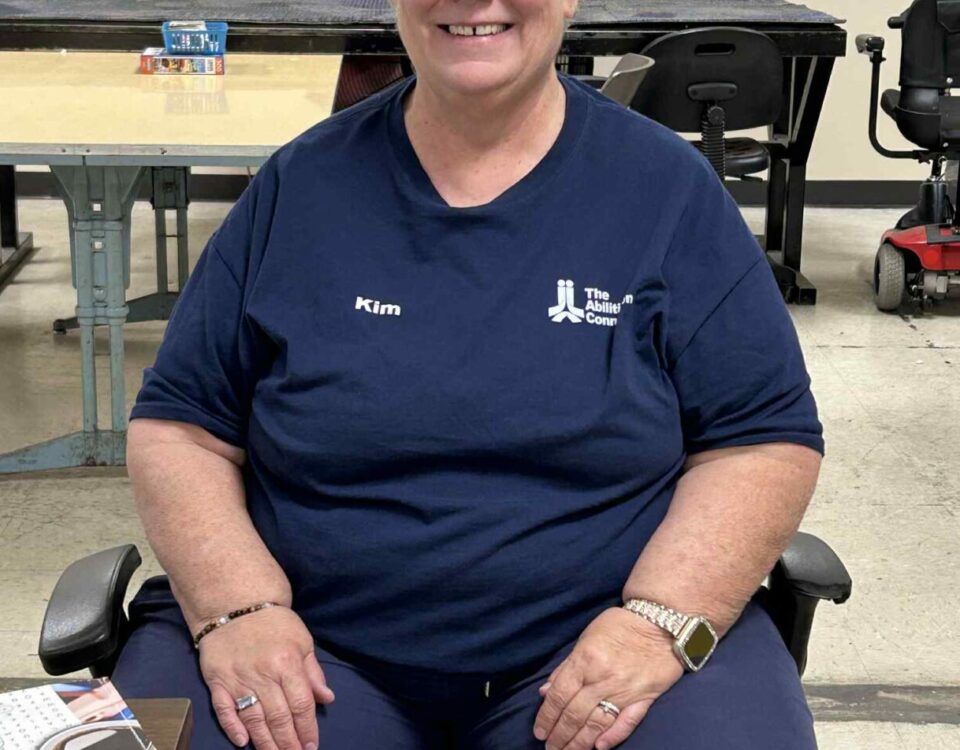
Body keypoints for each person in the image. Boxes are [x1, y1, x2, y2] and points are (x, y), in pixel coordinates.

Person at [114, 1, 825, 748]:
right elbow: (182, 430)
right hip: (308, 645)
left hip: (600, 642)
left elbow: (761, 442)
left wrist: (659, 621)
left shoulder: (665, 190)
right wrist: (235, 608)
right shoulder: (301, 185)